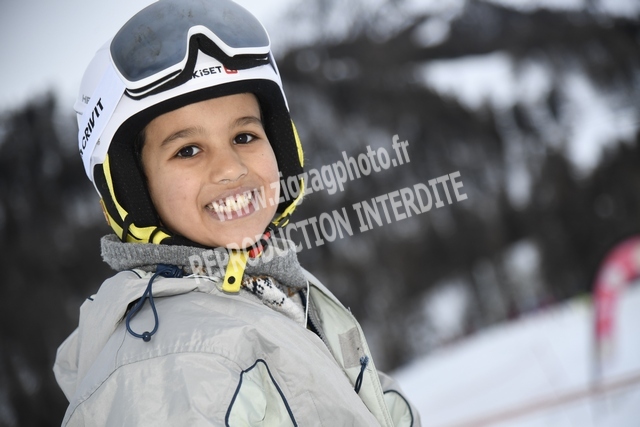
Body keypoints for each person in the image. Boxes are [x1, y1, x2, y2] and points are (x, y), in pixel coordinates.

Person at [53, 0, 421, 425]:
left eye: (244, 136)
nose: (230, 168)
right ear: (130, 190)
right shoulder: (173, 370)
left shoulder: (271, 289)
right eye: (188, 150)